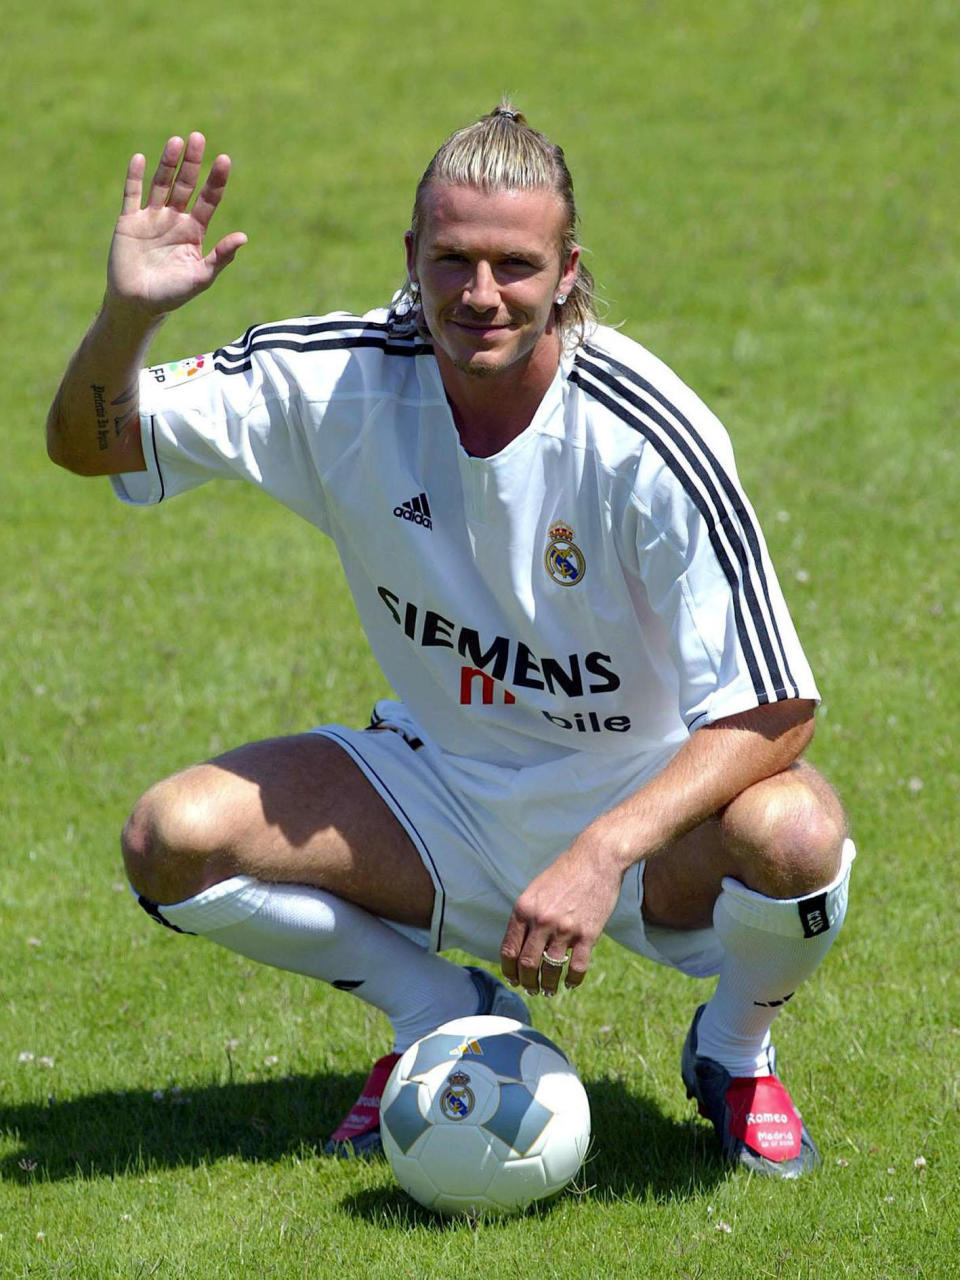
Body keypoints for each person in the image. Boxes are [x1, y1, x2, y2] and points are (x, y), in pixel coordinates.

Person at [47, 103, 854, 1178]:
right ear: (411, 261)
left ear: (568, 270)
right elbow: (90, 448)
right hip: (439, 791)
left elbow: (778, 710)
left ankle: (735, 1047)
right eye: (453, 260)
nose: (480, 295)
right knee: (171, 837)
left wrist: (599, 848)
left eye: (514, 265)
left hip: (647, 816)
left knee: (798, 832)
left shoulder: (646, 435)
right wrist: (124, 318)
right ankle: (440, 1004)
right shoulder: (335, 379)